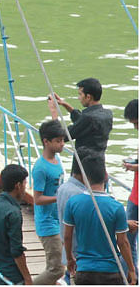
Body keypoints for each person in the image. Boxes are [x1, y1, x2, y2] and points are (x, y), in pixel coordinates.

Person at [63, 151, 134, 285]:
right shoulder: (116, 207)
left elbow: (67, 236)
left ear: (84, 178)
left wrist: (69, 259)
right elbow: (123, 242)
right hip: (110, 272)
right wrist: (131, 269)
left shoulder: (73, 203)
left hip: (84, 270)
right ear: (106, 176)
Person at [32, 119, 69, 285]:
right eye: (58, 141)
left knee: (59, 264)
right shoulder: (41, 168)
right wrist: (59, 197)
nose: (62, 144)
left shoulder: (57, 161)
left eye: (62, 140)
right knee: (57, 269)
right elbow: (37, 199)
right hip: (47, 223)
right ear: (46, 142)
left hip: (58, 219)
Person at [50, 78, 113, 156]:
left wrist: (54, 111)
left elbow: (60, 136)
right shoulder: (107, 114)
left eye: (80, 94)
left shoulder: (88, 118)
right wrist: (65, 104)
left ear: (88, 97)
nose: (78, 98)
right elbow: (83, 122)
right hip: (99, 163)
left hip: (84, 164)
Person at [125, 99, 138, 271]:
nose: (136, 127)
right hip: (135, 196)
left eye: (136, 123)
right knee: (127, 240)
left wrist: (134, 166)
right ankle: (131, 274)